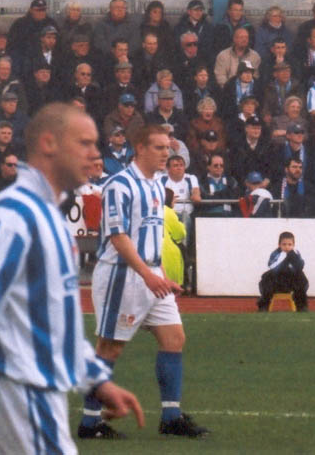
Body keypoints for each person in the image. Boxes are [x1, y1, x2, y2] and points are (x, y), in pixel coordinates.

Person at [0, 104, 144, 454]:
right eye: (84, 143)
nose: (95, 154)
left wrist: (96, 381)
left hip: (32, 394)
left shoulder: (49, 218)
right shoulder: (13, 215)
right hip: (19, 395)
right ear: (49, 143)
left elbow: (55, 322)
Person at [83, 123, 208, 439]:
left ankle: (171, 417)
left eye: (168, 148)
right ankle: (89, 422)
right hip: (121, 276)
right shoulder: (119, 185)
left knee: (174, 338)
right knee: (109, 347)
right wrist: (147, 274)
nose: (167, 153)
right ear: (140, 148)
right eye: (160, 147)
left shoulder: (156, 185)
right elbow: (118, 236)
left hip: (151, 275)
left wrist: (162, 276)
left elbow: (153, 236)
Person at [257, 232, 309, 312]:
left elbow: (300, 266)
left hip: (291, 281)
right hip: (277, 280)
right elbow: (272, 266)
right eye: (284, 244)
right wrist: (284, 259)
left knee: (301, 277)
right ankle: (264, 305)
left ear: (293, 245)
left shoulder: (296, 253)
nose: (287, 247)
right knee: (266, 277)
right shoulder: (276, 253)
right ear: (279, 245)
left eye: (289, 244)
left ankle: (301, 306)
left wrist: (293, 258)